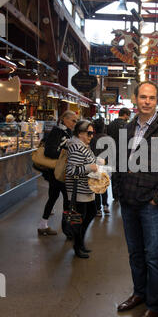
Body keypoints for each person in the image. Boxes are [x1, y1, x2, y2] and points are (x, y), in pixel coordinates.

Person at [116, 81, 158, 317]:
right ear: (135, 99)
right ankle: (139, 293)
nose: (147, 101)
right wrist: (119, 189)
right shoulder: (127, 127)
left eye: (152, 98)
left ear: (157, 101)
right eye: (143, 97)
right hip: (128, 201)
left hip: (150, 205)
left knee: (153, 256)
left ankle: (154, 306)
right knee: (135, 253)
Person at [38, 110, 78, 236]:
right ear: (65, 119)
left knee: (54, 197)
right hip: (57, 173)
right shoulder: (56, 132)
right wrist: (66, 155)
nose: (74, 123)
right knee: (68, 199)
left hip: (61, 172)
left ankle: (43, 225)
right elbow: (48, 152)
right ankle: (67, 230)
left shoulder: (68, 132)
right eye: (73, 120)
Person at [65, 120, 98, 259]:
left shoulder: (84, 145)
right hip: (78, 190)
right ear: (80, 133)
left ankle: (80, 243)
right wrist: (90, 167)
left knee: (90, 213)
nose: (91, 136)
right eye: (89, 133)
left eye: (92, 133)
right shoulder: (77, 147)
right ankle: (78, 246)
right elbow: (71, 170)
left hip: (86, 188)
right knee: (80, 218)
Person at [107, 107, 131, 201]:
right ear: (125, 114)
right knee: (123, 174)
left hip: (112, 152)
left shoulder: (110, 124)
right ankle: (122, 194)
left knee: (114, 174)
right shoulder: (126, 125)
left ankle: (115, 195)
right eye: (128, 115)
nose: (128, 117)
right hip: (123, 154)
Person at [90, 117, 110, 217]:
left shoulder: (92, 139)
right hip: (105, 165)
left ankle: (98, 209)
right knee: (104, 185)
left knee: (96, 187)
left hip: (95, 165)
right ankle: (105, 205)